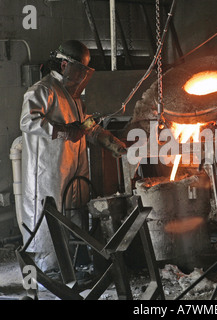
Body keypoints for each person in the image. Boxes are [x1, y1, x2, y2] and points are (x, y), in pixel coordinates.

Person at [20, 40, 126, 272]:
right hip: (48, 175)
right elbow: (29, 121)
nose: (81, 76)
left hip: (72, 172)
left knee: (75, 215)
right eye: (79, 69)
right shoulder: (43, 90)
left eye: (84, 71)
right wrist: (64, 131)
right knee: (50, 224)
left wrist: (109, 141)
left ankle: (77, 266)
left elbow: (85, 126)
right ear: (65, 65)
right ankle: (48, 271)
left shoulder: (73, 96)